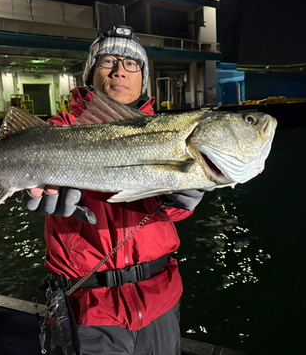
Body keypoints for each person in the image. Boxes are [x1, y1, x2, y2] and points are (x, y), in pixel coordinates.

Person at [22, 25, 209, 355]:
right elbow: (35, 181)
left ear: (142, 77)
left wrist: (183, 197)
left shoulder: (168, 134)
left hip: (160, 302)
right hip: (89, 310)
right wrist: (31, 190)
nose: (120, 70)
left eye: (131, 63)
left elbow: (168, 210)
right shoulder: (61, 130)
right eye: (108, 60)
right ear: (91, 73)